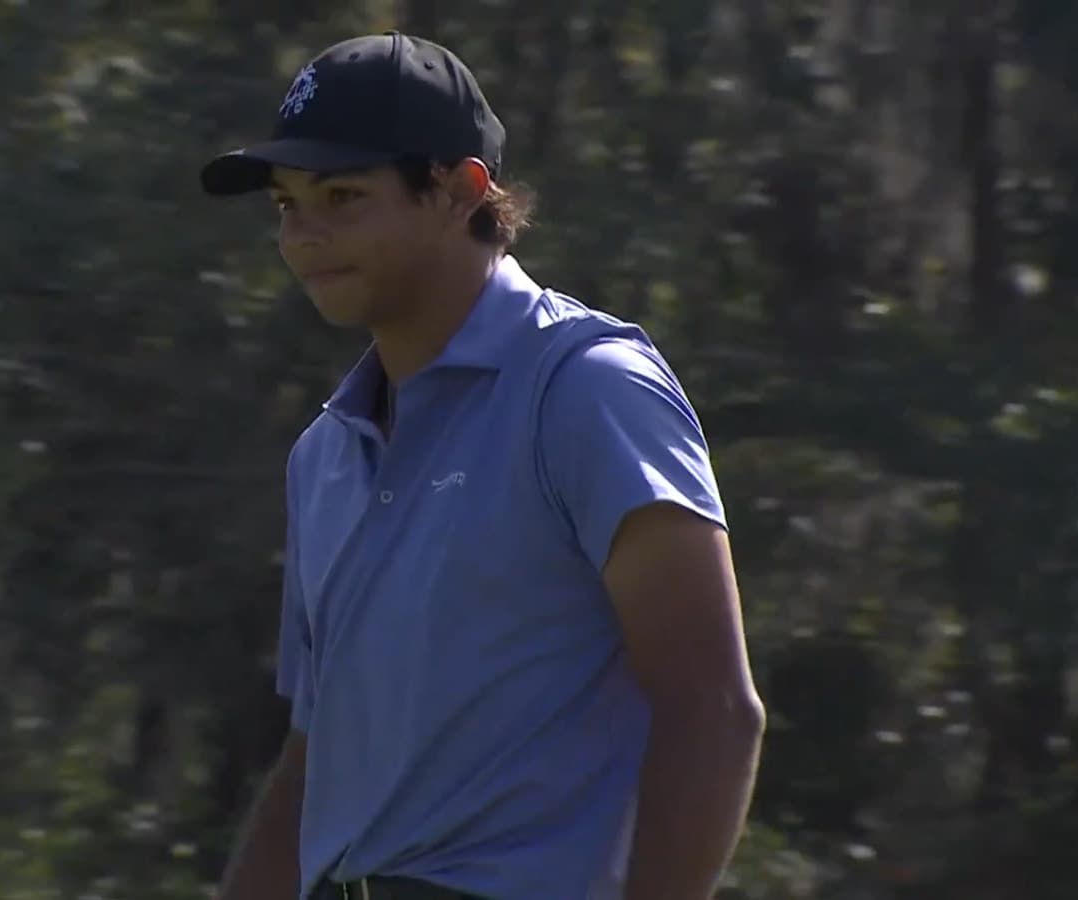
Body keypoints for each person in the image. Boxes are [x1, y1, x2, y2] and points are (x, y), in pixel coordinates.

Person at [200, 31, 766, 900]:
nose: (302, 237)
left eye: (343, 196)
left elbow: (715, 713)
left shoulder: (586, 389)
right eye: (285, 204)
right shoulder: (324, 455)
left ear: (460, 192)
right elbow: (316, 762)